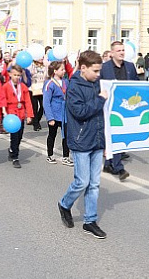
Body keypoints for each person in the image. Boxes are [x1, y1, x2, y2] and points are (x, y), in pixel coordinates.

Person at [57, 50, 108, 239]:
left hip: (96, 139)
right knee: (82, 181)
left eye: (99, 71)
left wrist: (104, 141)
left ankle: (90, 221)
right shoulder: (74, 87)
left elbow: (101, 116)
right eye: (95, 71)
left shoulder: (96, 84)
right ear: (83, 68)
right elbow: (81, 112)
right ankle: (64, 204)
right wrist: (101, 99)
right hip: (81, 140)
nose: (98, 74)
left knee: (94, 183)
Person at [100, 41, 137, 181]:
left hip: (125, 108)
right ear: (112, 53)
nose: (122, 52)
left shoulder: (130, 67)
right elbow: (98, 86)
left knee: (118, 135)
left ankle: (109, 164)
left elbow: (135, 85)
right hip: (108, 108)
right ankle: (119, 168)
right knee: (114, 136)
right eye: (119, 50)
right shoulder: (104, 68)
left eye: (123, 50)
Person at [1, 65, 34, 168]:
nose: (16, 77)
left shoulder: (23, 87)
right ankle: (15, 156)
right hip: (11, 114)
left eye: (18, 75)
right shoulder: (6, 86)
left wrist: (29, 115)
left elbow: (28, 101)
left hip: (20, 113)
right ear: (10, 74)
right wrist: (4, 111)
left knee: (20, 135)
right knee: (14, 136)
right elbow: (2, 99)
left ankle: (12, 149)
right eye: (14, 75)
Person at [43, 60, 71, 166]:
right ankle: (50, 155)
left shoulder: (66, 82)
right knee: (52, 134)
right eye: (61, 69)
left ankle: (66, 156)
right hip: (54, 113)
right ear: (55, 71)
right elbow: (46, 101)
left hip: (64, 113)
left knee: (66, 135)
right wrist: (50, 118)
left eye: (64, 69)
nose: (64, 71)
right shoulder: (49, 84)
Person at [29, 59, 46, 131]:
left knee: (43, 106)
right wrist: (31, 73)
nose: (41, 59)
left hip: (42, 88)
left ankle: (36, 119)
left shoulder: (45, 65)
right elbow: (27, 75)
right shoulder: (31, 65)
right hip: (33, 88)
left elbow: (47, 75)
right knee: (34, 107)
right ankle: (36, 124)